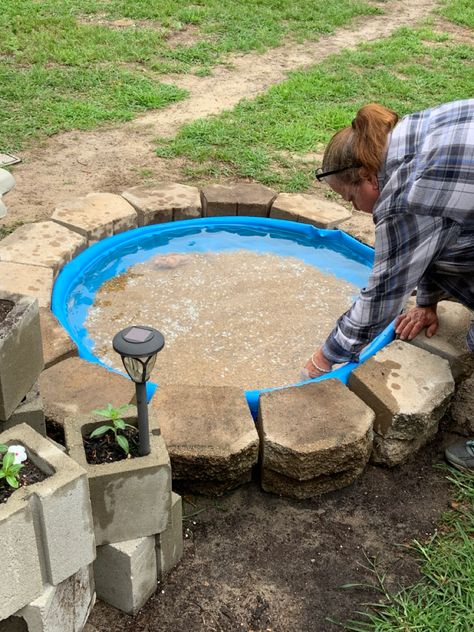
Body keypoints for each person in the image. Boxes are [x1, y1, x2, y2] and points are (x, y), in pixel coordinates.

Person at [303, 99, 474, 471]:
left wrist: (322, 360)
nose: (358, 209)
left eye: (350, 198)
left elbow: (381, 296)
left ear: (367, 176)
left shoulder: (405, 196)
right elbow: (439, 226)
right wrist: (427, 302)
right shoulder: (408, 134)